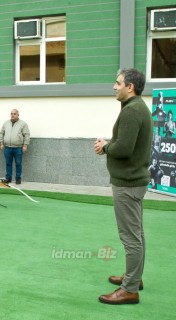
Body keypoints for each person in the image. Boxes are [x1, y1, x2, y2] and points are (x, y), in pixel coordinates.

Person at [94, 68, 152, 305]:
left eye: (118, 83)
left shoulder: (132, 111)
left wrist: (105, 147)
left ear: (130, 87)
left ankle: (129, 289)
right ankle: (133, 278)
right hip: (134, 181)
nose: (114, 87)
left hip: (128, 183)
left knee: (130, 238)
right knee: (136, 234)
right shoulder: (137, 108)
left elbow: (124, 149)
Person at [0, 109, 30, 184]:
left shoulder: (23, 124)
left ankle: (18, 178)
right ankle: (8, 178)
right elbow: (1, 133)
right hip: (7, 147)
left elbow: (26, 135)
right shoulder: (6, 123)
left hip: (18, 148)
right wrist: (1, 143)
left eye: (14, 114)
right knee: (8, 163)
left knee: (18, 163)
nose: (12, 115)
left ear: (18, 115)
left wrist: (25, 145)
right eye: (11, 113)